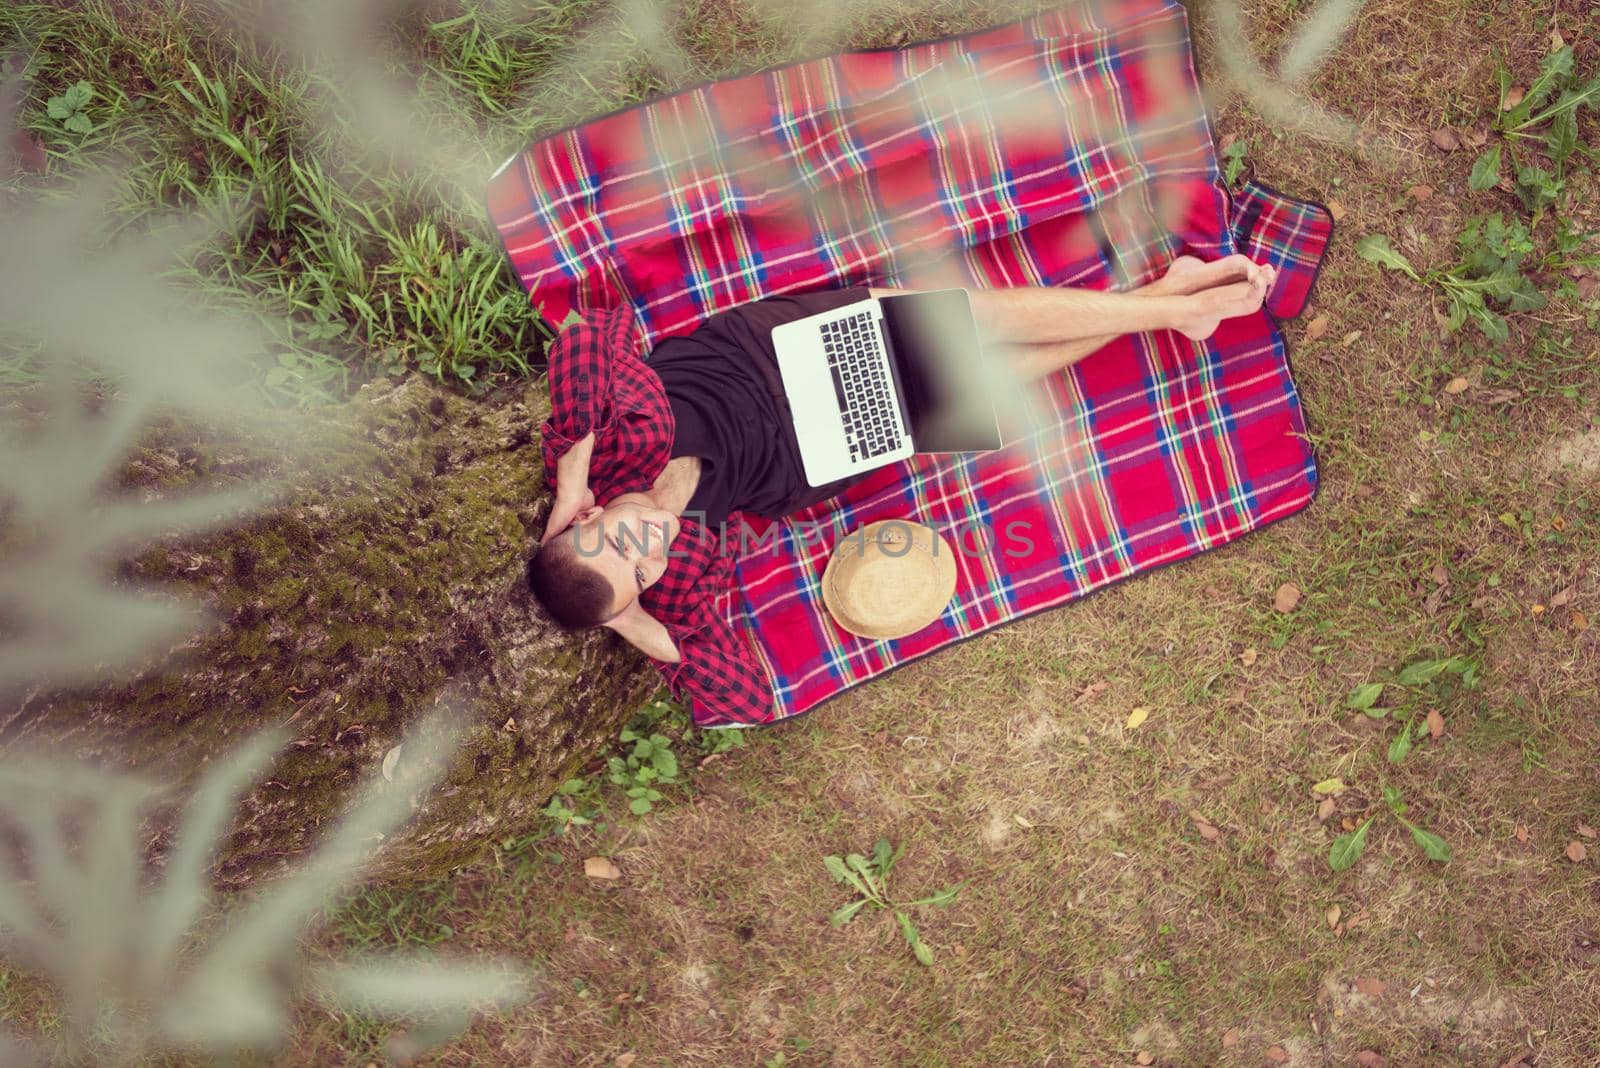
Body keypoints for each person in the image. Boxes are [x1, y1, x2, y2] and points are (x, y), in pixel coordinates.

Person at [526, 254, 1277, 727]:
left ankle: (1176, 306)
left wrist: (570, 475)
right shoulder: (676, 572)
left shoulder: (615, 440)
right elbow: (737, 696)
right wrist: (624, 616)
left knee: (962, 328)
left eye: (619, 537)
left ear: (588, 513)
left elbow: (591, 337)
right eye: (640, 568)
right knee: (985, 382)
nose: (648, 543)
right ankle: (1170, 300)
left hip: (776, 358)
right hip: (820, 450)